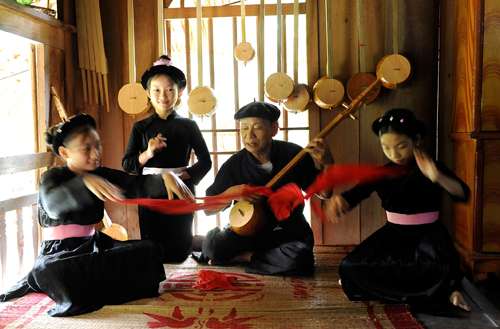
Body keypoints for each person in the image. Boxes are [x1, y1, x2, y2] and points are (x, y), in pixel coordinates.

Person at [0, 113, 194, 316]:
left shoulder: (101, 174)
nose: (95, 153)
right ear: (65, 152)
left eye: (97, 145)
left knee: (149, 250)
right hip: (59, 255)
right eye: (86, 148)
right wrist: (82, 183)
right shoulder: (52, 177)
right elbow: (53, 206)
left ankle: (98, 286)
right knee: (62, 274)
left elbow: (135, 184)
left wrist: (164, 178)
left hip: (93, 246)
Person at [326, 108, 471, 311]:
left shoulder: (432, 167)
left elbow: (463, 193)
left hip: (428, 235)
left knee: (439, 268)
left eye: (401, 146)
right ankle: (437, 292)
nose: (394, 154)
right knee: (349, 267)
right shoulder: (382, 172)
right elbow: (356, 194)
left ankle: (447, 291)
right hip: (393, 234)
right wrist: (341, 201)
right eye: (386, 147)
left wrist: (437, 177)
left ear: (417, 140)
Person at [199, 101, 331, 276]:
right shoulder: (234, 165)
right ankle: (261, 258)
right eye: (244, 128)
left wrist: (327, 163)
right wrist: (231, 194)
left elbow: (325, 193)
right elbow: (208, 209)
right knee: (213, 247)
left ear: (274, 128)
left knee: (300, 257)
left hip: (286, 231)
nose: (249, 135)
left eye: (257, 128)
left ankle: (247, 257)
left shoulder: (294, 155)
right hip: (248, 233)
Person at [122, 55, 211, 263]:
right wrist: (148, 153)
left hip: (181, 190)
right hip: (150, 193)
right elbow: (127, 164)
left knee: (179, 251)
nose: (164, 96)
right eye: (157, 90)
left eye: (170, 89)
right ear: (148, 93)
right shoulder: (140, 127)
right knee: (152, 251)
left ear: (179, 92)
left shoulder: (189, 126)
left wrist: (184, 177)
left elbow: (206, 162)